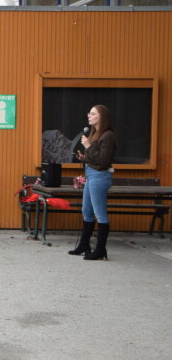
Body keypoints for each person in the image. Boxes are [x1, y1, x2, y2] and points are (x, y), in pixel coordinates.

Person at [70, 104, 116, 261]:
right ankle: (84, 245)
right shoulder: (95, 134)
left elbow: (104, 161)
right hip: (91, 174)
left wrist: (88, 147)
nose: (89, 115)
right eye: (89, 113)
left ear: (101, 117)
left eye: (93, 113)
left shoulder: (107, 136)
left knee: (99, 213)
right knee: (87, 211)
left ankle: (100, 249)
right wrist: (85, 157)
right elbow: (95, 157)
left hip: (99, 176)